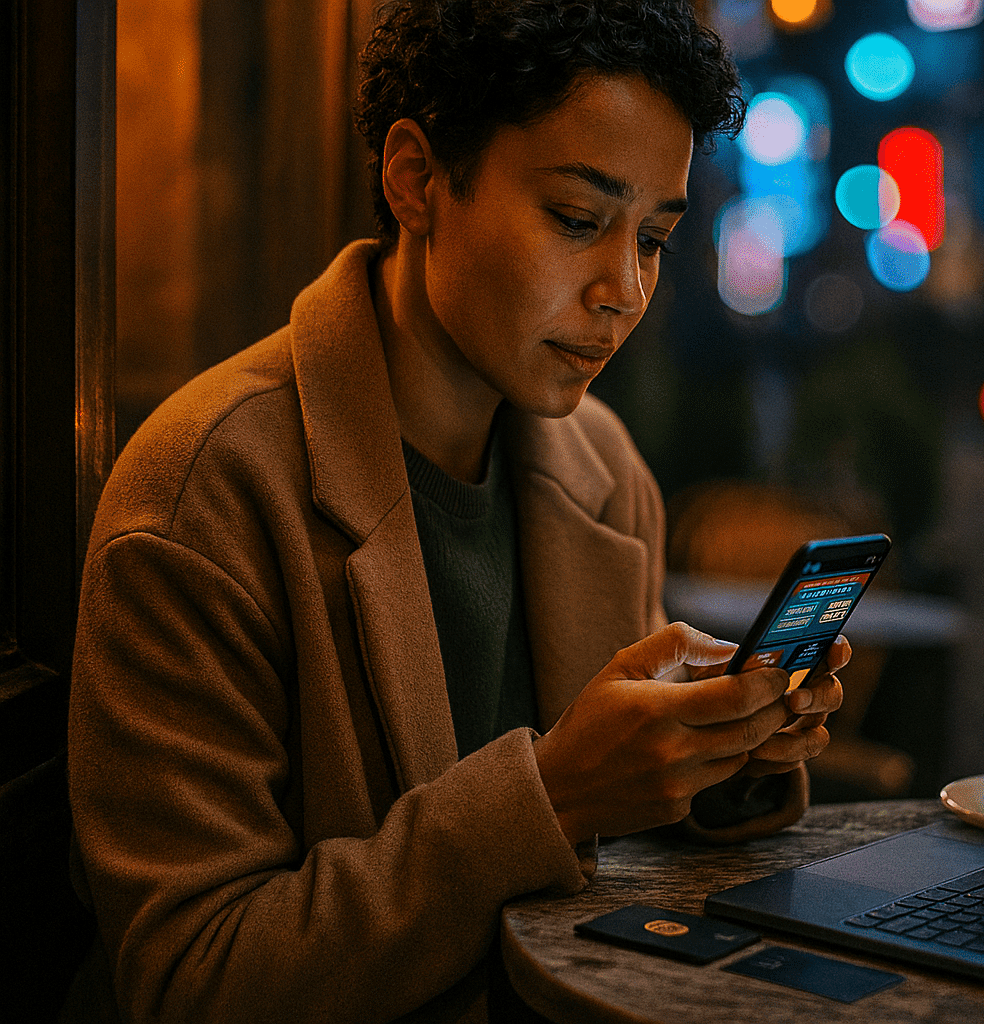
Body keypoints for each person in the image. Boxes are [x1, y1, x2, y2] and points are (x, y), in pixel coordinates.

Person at [65, 2, 847, 1021]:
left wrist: (718, 759)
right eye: (577, 219)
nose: (623, 289)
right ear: (417, 179)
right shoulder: (206, 493)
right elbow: (192, 977)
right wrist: (553, 794)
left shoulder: (605, 471)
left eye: (652, 237)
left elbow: (620, 865)